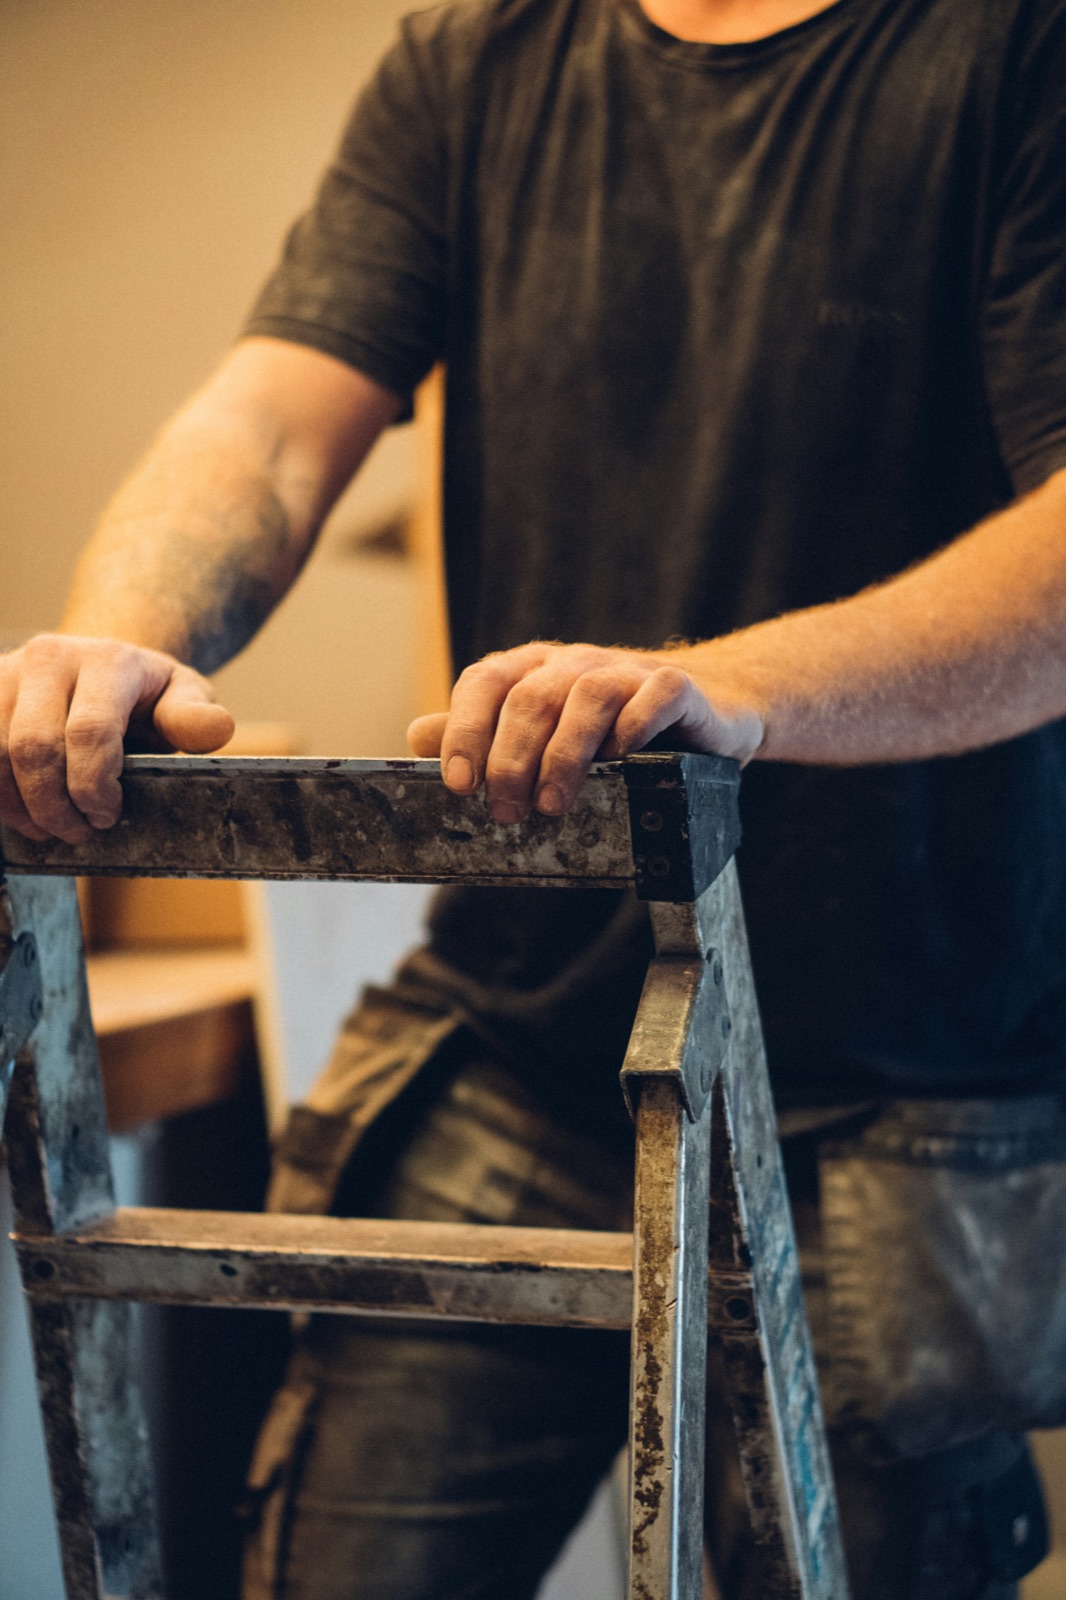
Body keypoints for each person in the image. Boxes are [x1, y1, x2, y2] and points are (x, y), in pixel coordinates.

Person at [3, 0, 1066, 1593]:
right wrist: (118, 642)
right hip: (519, 1041)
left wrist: (733, 695)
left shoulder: (1015, 50)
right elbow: (272, 426)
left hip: (902, 1090)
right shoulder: (475, 58)